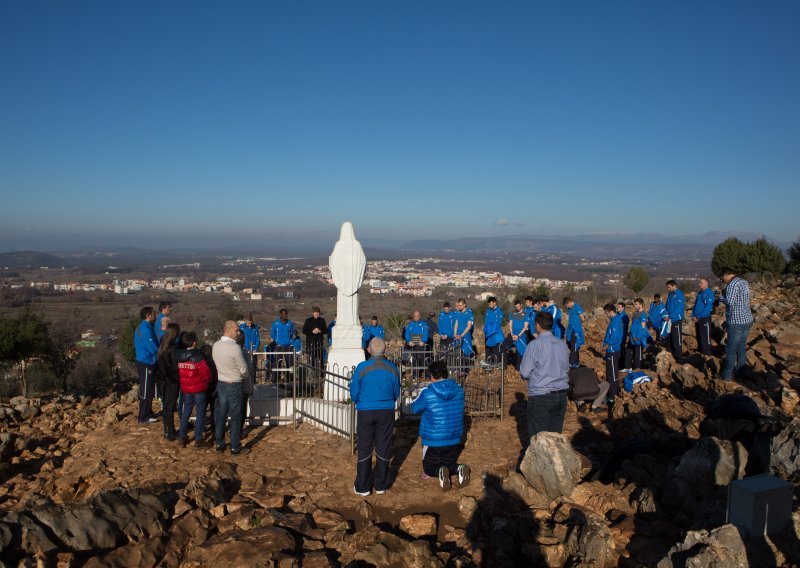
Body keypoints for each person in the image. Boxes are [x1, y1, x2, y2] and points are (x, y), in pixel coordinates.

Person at [350, 337, 401, 496]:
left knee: (365, 447)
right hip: (385, 411)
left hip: (365, 411)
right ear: (385, 350)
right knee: (383, 446)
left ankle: (363, 486)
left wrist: (361, 401)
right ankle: (381, 485)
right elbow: (396, 393)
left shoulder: (362, 367)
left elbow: (354, 392)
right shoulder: (393, 368)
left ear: (369, 350)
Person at [410, 360, 470, 491]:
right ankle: (459, 468)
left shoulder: (427, 392)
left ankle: (439, 472)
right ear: (446, 374)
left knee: (429, 468)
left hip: (433, 439)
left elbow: (414, 408)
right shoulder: (459, 390)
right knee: (449, 464)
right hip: (454, 438)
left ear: (431, 376)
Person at [519, 312, 570, 440]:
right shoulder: (562, 345)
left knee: (539, 440)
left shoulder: (534, 345)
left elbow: (525, 372)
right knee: (555, 439)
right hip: (562, 395)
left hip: (541, 395)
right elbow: (566, 367)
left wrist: (537, 374)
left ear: (537, 326)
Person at [212, 320, 250, 455]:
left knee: (222, 413)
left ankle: (219, 443)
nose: (238, 333)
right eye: (236, 330)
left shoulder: (215, 345)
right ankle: (235, 446)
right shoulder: (235, 348)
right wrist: (244, 376)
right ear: (228, 330)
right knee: (236, 415)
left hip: (221, 382)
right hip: (235, 383)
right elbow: (243, 368)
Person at [177, 332, 213, 448]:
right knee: (200, 413)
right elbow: (206, 373)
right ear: (194, 342)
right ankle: (198, 438)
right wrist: (208, 381)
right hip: (199, 388)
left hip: (186, 388)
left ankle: (182, 436)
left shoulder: (180, 357)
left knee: (186, 411)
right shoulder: (198, 357)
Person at [717, 268, 753, 381]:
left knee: (731, 350)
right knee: (741, 346)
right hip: (747, 319)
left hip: (736, 321)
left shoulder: (732, 285)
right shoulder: (743, 282)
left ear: (726, 275)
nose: (723, 280)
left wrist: (720, 297)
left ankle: (726, 376)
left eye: (722, 278)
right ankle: (740, 372)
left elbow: (730, 302)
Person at [134, 306, 159, 424]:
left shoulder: (146, 327)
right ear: (148, 315)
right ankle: (143, 417)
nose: (155, 315)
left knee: (149, 388)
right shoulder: (145, 330)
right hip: (146, 362)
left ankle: (148, 412)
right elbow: (153, 348)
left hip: (146, 361)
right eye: (153, 313)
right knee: (145, 389)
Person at [156, 323, 181, 440]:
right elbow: (175, 366)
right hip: (172, 380)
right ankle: (170, 432)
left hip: (163, 380)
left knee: (166, 407)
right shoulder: (173, 348)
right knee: (170, 406)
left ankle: (167, 430)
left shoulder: (162, 346)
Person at [602, 303, 624, 404]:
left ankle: (613, 395)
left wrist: (606, 345)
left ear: (611, 312)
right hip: (610, 350)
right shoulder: (613, 321)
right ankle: (609, 392)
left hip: (613, 351)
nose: (606, 315)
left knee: (613, 374)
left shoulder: (616, 322)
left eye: (606, 313)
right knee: (609, 373)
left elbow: (614, 338)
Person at [624, 299, 650, 371]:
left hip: (638, 338)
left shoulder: (643, 314)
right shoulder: (635, 313)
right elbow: (633, 324)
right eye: (634, 304)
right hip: (632, 336)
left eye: (636, 304)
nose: (634, 305)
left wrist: (638, 337)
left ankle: (637, 369)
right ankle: (628, 367)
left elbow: (643, 327)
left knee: (637, 354)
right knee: (629, 352)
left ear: (641, 305)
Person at [691, 277, 715, 356]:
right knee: (699, 336)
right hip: (697, 318)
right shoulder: (700, 293)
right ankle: (700, 352)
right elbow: (696, 305)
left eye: (701, 283)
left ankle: (707, 354)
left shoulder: (709, 293)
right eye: (699, 282)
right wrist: (693, 315)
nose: (699, 284)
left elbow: (708, 308)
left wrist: (699, 316)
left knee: (705, 337)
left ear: (706, 283)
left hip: (704, 318)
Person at [270, 309, 296, 380]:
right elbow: (272, 333)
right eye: (284, 314)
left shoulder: (290, 323)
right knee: (277, 362)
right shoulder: (276, 323)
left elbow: (293, 333)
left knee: (290, 362)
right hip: (279, 345)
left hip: (288, 345)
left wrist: (291, 340)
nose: (286, 315)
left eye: (286, 313)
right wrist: (276, 340)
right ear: (280, 315)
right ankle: (275, 379)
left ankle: (290, 379)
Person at [665, 280, 686, 363]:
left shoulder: (679, 294)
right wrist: (666, 315)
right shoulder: (670, 294)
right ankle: (671, 352)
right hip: (669, 319)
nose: (668, 289)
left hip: (676, 319)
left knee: (676, 338)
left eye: (669, 287)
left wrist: (671, 316)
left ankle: (678, 357)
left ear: (674, 286)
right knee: (669, 336)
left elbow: (679, 308)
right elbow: (667, 306)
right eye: (667, 287)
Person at [404, 310, 429, 379]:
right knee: (414, 359)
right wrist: (409, 341)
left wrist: (423, 341)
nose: (416, 317)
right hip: (413, 345)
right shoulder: (410, 325)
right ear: (413, 316)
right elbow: (407, 334)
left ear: (420, 316)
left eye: (417, 316)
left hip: (421, 344)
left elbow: (426, 333)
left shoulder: (424, 324)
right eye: (415, 316)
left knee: (423, 359)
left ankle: (427, 374)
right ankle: (415, 374)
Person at [563, 297, 586, 368]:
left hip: (576, 330)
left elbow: (583, 318)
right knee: (570, 345)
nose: (567, 307)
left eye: (566, 305)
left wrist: (577, 324)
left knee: (574, 346)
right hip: (570, 330)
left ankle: (571, 363)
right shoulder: (570, 309)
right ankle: (576, 362)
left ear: (569, 303)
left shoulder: (577, 307)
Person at [508, 300, 530, 370]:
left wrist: (518, 335)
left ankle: (521, 368)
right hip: (513, 335)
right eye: (516, 306)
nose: (517, 307)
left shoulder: (526, 314)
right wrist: (512, 334)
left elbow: (525, 327)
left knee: (521, 352)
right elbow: (510, 324)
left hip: (521, 336)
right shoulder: (512, 313)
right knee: (504, 347)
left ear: (521, 305)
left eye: (518, 306)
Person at [483, 297, 505, 362]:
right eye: (489, 304)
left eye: (490, 304)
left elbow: (498, 324)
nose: (489, 305)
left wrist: (491, 332)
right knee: (488, 349)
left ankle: (496, 364)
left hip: (495, 334)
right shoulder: (488, 311)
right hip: (487, 334)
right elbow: (486, 321)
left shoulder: (499, 311)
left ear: (494, 303)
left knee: (495, 349)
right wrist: (486, 330)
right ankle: (488, 363)